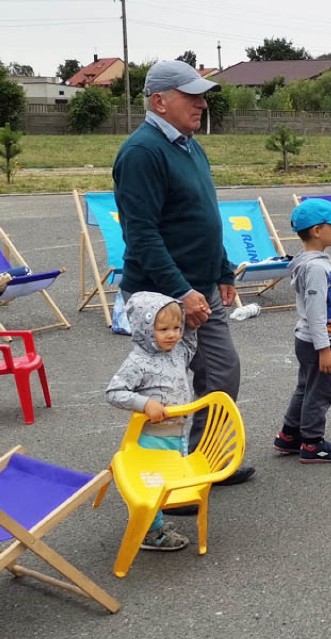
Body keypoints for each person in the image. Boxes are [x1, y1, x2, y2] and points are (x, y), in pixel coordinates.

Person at [112, 59, 254, 487]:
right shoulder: (142, 153)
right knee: (163, 392)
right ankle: (166, 481)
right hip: (162, 297)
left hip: (200, 285)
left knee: (220, 371)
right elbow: (142, 235)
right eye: (191, 95)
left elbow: (203, 216)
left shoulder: (188, 145)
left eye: (202, 94)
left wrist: (223, 270)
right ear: (159, 101)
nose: (202, 102)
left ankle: (201, 461)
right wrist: (182, 291)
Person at [106, 292, 195, 551]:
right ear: (145, 330)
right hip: (153, 437)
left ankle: (153, 524)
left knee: (165, 483)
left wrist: (194, 325)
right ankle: (150, 533)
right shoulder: (138, 361)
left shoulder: (175, 351)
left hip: (177, 433)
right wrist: (145, 404)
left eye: (177, 328)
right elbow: (114, 392)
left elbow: (190, 346)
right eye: (163, 329)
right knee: (153, 485)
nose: (172, 335)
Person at [273, 198, 331, 463]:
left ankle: (289, 435)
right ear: (317, 231)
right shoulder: (316, 268)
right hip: (319, 340)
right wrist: (324, 349)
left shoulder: (310, 261)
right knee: (320, 391)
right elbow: (315, 310)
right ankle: (311, 443)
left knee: (306, 387)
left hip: (313, 338)